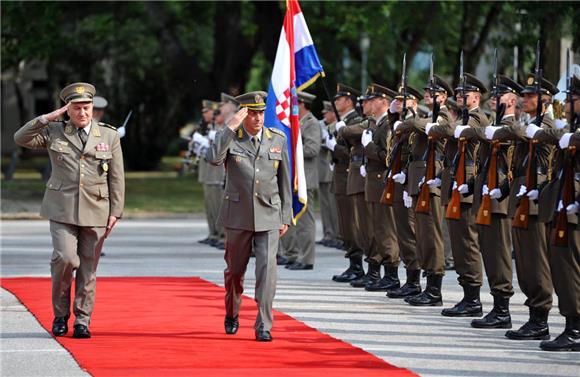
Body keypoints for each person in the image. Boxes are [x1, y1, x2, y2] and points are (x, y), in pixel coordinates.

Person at [14, 82, 125, 339]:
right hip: (62, 208)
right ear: (68, 109)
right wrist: (46, 117)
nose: (82, 113)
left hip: (97, 208)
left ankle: (82, 321)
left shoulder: (108, 135)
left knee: (88, 268)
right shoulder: (55, 131)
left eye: (86, 107)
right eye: (76, 108)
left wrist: (115, 211)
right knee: (65, 259)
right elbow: (21, 138)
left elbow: (117, 177)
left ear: (93, 108)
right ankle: (60, 315)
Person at [207, 91, 291, 342]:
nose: (257, 118)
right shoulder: (232, 138)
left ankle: (264, 324)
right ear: (243, 114)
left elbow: (284, 180)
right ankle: (232, 312)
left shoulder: (276, 138)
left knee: (267, 271)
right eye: (252, 113)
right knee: (235, 272)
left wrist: (285, 215)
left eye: (260, 113)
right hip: (238, 215)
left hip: (269, 213)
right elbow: (213, 159)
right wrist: (230, 127)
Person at [491, 74, 558, 341]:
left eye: (531, 96)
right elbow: (517, 168)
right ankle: (533, 317)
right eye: (525, 95)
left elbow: (548, 166)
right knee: (526, 265)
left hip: (535, 202)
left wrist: (535, 190)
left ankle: (540, 318)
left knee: (536, 263)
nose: (524, 99)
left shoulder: (545, 127)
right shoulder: (529, 125)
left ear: (545, 101)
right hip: (520, 199)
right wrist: (505, 190)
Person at [526, 74, 579, 351]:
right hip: (561, 202)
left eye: (572, 99)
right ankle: (571, 326)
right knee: (562, 267)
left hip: (572, 206)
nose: (567, 104)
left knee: (570, 267)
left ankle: (575, 329)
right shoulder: (571, 127)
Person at [468, 75, 521, 329]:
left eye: (500, 96)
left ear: (511, 101)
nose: (493, 100)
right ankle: (497, 306)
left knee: (499, 253)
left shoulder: (513, 127)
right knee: (489, 252)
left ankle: (503, 310)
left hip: (500, 199)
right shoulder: (497, 127)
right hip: (486, 195)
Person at [441, 73, 489, 314]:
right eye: (458, 94)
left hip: (468, 184)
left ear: (477, 97)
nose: (459, 97)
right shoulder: (462, 119)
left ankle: (473, 299)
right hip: (456, 183)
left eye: (464, 94)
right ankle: (466, 294)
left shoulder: (478, 118)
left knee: (468, 242)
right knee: (459, 242)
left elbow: (454, 133)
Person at [361, 84, 401, 291]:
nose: (367, 104)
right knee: (377, 229)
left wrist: (367, 146)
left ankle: (392, 275)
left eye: (371, 100)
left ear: (383, 102)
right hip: (374, 182)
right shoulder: (377, 123)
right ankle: (383, 272)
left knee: (386, 229)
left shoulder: (387, 125)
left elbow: (387, 157)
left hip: (382, 181)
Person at [325, 84, 364, 283]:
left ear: (349, 101)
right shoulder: (343, 121)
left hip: (349, 175)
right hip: (340, 176)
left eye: (339, 99)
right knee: (344, 223)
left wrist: (334, 148)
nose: (335, 102)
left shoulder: (356, 121)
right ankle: (352, 263)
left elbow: (353, 153)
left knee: (351, 223)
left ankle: (357, 265)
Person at [285, 91, 321, 270]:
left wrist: (292, 150)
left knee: (305, 222)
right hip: (295, 178)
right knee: (296, 221)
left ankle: (307, 259)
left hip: (305, 179)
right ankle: (296, 255)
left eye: (294, 104)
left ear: (302, 104)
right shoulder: (297, 123)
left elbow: (312, 149)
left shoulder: (311, 124)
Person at [317, 101, 340, 248]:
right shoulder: (321, 125)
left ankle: (337, 235)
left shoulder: (339, 125)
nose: (325, 116)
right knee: (324, 206)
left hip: (332, 171)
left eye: (327, 113)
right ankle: (328, 233)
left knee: (333, 206)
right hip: (322, 171)